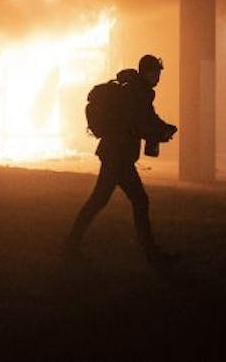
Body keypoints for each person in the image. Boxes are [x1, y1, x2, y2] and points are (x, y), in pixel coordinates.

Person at [64, 53, 179, 266]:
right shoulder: (137, 93)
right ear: (147, 72)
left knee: (100, 201)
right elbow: (140, 123)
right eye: (155, 73)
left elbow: (147, 119)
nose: (158, 78)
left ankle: (71, 245)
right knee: (138, 201)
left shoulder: (137, 91)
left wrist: (162, 128)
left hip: (115, 154)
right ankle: (151, 253)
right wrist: (161, 131)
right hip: (118, 156)